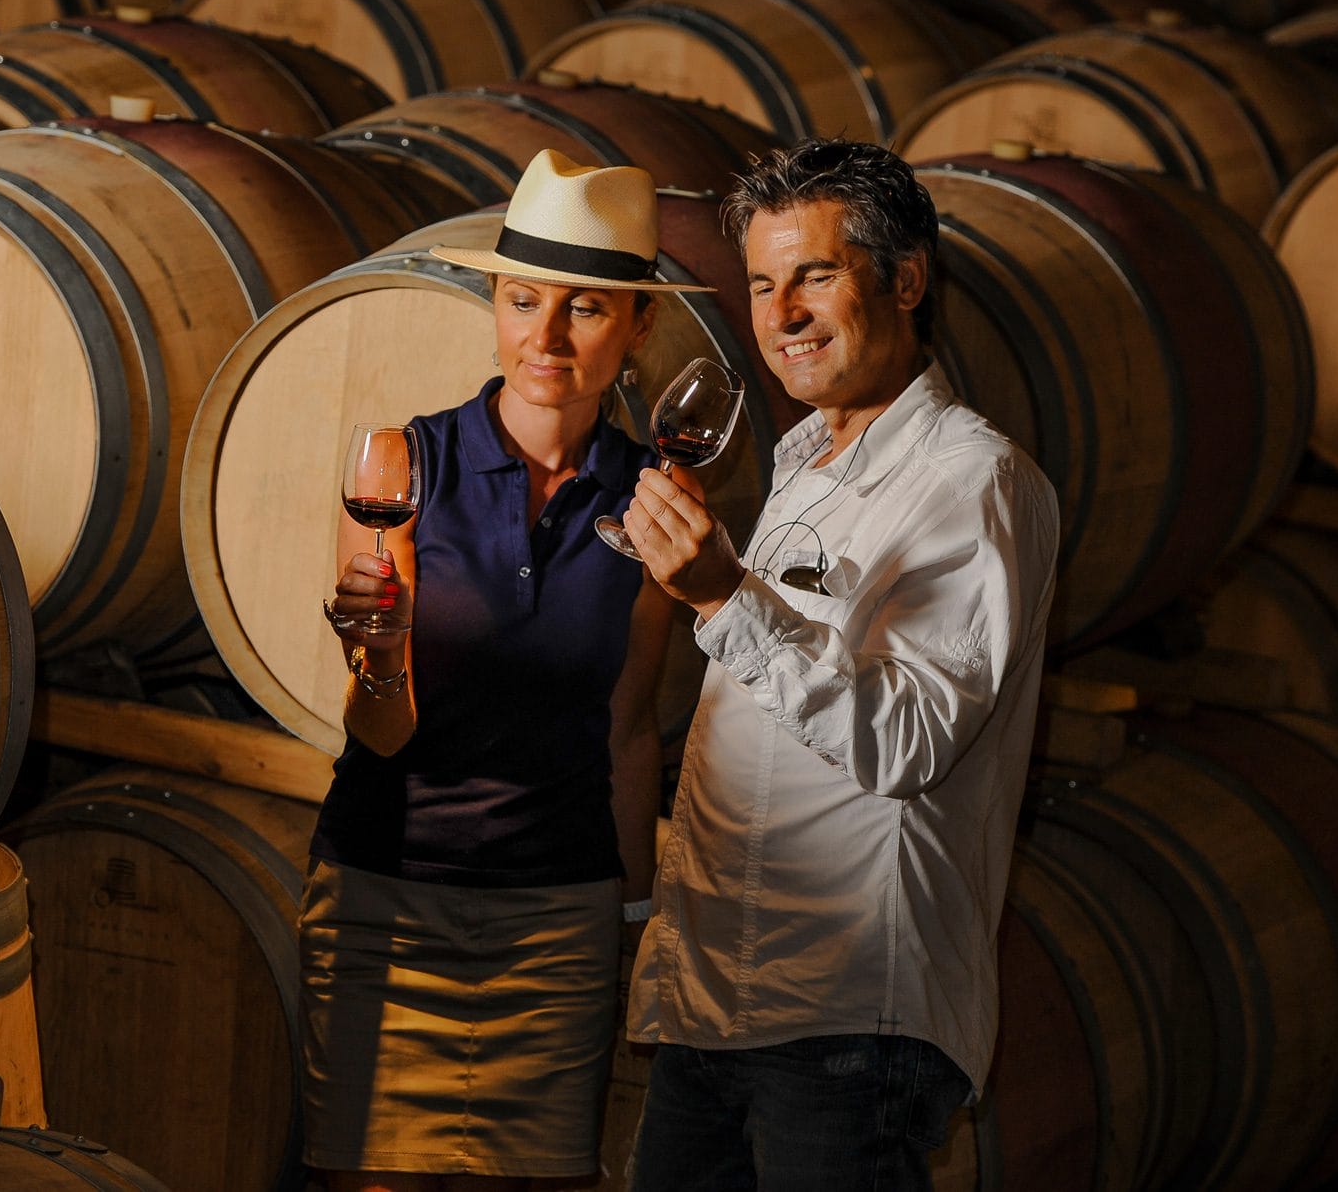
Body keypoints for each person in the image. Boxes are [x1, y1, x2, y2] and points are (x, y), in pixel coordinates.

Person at [616, 138, 1061, 1191]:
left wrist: (726, 595)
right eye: (764, 284)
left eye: (814, 275)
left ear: (904, 279)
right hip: (714, 996)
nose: (782, 314)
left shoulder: (973, 479)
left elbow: (906, 737)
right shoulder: (802, 458)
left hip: (844, 1014)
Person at [304, 149, 712, 1190]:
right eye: (522, 299)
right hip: (387, 896)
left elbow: (628, 731)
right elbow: (378, 730)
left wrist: (625, 925)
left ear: (637, 327)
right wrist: (381, 657)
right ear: (492, 302)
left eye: (584, 307)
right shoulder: (404, 464)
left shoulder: (652, 505)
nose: (545, 335)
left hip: (556, 922)